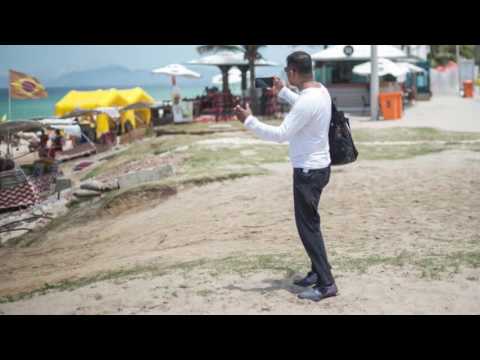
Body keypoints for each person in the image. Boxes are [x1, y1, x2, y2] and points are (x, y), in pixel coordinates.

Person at [235, 51, 337, 302]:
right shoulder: (320, 90)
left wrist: (249, 121)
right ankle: (317, 272)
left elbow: (281, 134)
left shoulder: (306, 100)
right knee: (311, 223)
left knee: (308, 228)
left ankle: (326, 284)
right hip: (320, 167)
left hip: (307, 172)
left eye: (286, 71)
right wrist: (281, 92)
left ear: (292, 72)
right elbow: (305, 108)